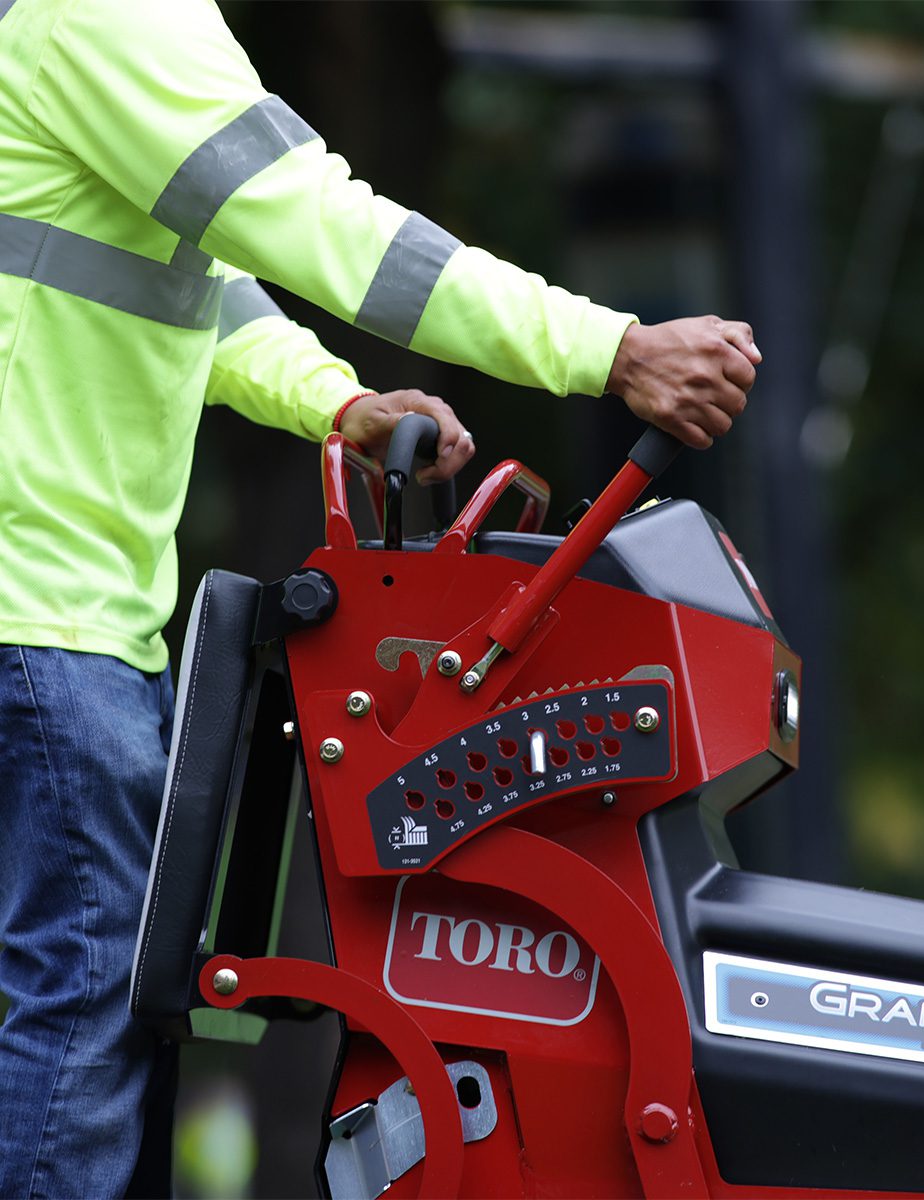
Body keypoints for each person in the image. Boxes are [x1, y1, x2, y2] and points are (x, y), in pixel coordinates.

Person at [0, 0, 759, 1195]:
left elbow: (191, 281)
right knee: (81, 1006)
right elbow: (330, 229)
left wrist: (333, 402)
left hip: (51, 617)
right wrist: (611, 349)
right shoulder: (101, 13)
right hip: (43, 623)